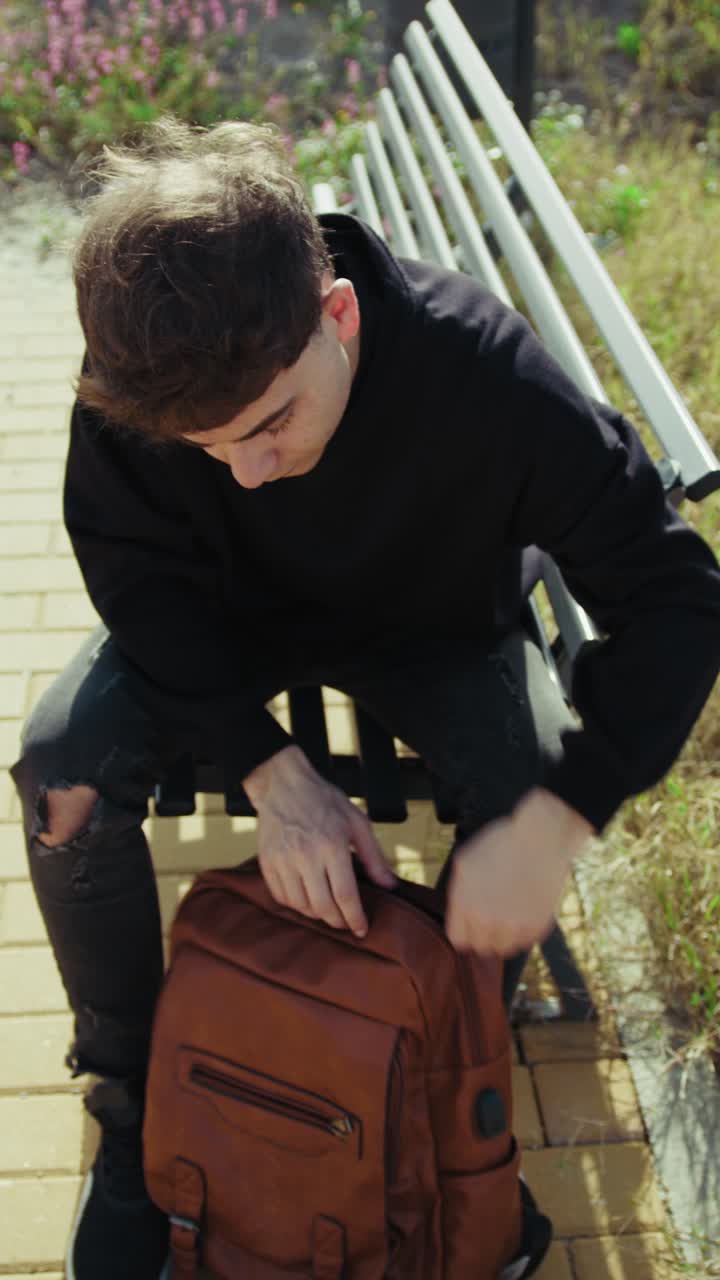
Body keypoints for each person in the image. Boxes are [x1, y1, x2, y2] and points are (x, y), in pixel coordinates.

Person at [10, 114, 720, 1280]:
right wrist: (266, 766)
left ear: (337, 314)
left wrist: (563, 816)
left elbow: (678, 594)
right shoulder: (150, 367)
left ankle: (447, 1115)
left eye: (268, 424)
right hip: (225, 632)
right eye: (205, 450)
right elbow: (135, 574)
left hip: (430, 627)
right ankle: (136, 1104)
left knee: (521, 787)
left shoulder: (482, 375)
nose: (245, 471)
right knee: (61, 772)